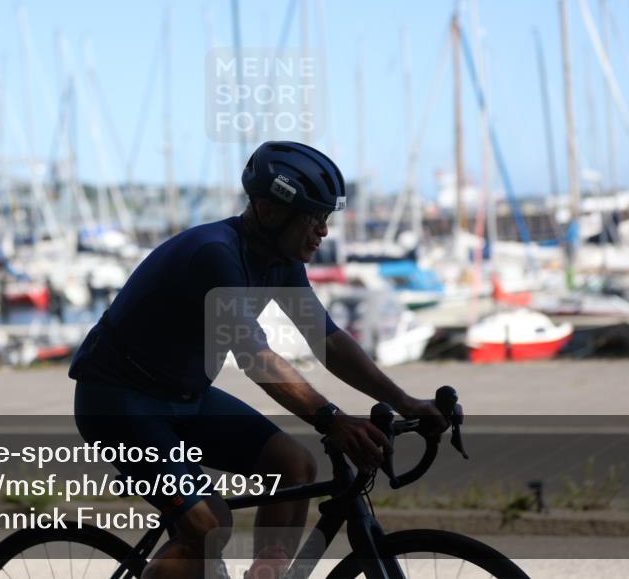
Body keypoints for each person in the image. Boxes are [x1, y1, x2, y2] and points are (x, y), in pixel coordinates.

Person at [70, 141, 447, 579]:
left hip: (184, 397)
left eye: (325, 218)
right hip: (119, 403)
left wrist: (407, 403)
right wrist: (332, 419)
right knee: (208, 527)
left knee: (295, 467)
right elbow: (256, 358)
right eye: (313, 217)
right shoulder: (215, 254)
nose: (322, 231)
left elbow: (329, 343)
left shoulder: (281, 262)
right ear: (269, 210)